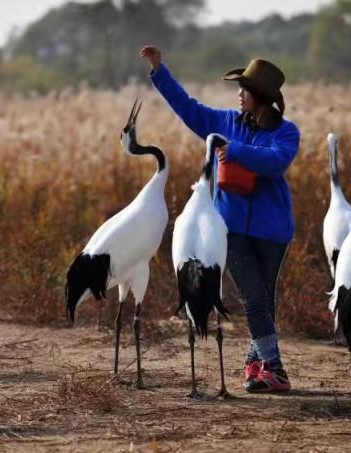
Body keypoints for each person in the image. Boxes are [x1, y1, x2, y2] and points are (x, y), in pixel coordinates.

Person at [141, 45, 300, 392]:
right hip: (231, 230)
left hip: (273, 231)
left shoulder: (286, 132)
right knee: (254, 296)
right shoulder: (224, 122)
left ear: (259, 96)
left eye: (244, 89)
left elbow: (276, 161)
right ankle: (275, 368)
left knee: (264, 298)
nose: (239, 94)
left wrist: (234, 150)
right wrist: (159, 70)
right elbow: (187, 108)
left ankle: (255, 364)